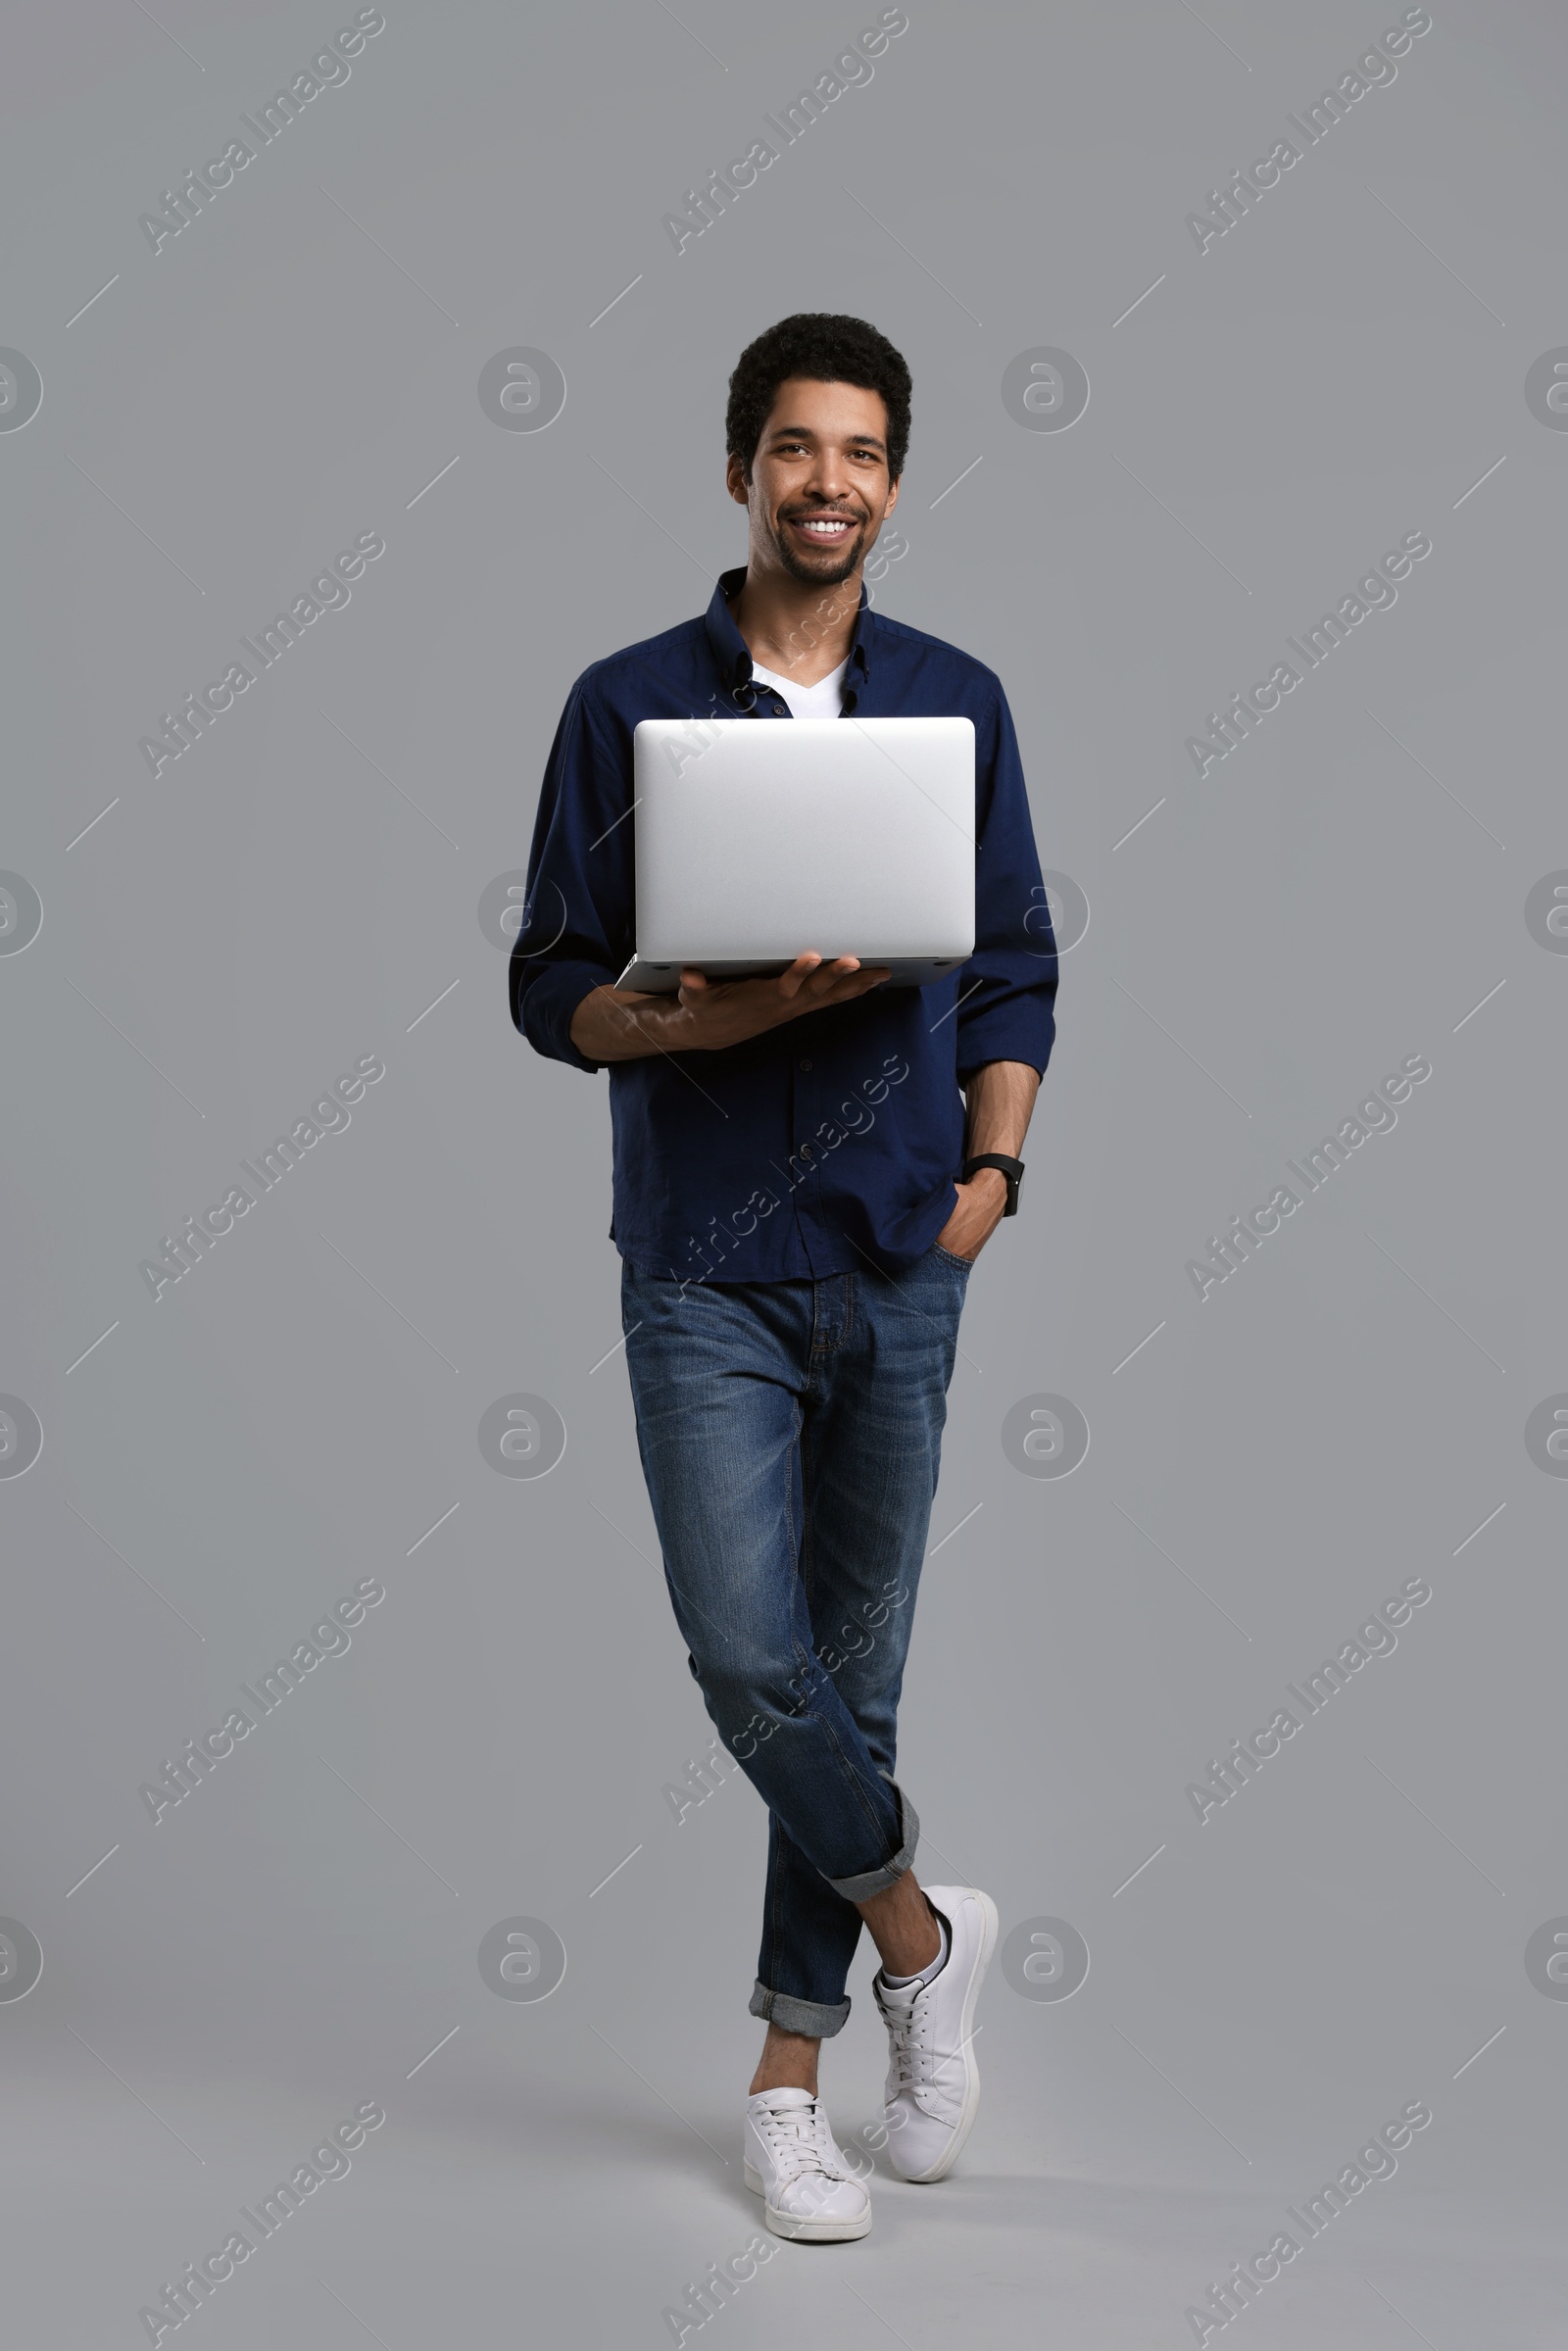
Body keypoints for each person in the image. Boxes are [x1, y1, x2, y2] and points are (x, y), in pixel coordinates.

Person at [512, 312, 1056, 2240]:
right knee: (753, 1661)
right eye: (796, 449)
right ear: (740, 465)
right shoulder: (626, 706)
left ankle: (783, 2082)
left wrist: (989, 1172)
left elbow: (1010, 964)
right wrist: (706, 1016)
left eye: (865, 454)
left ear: (893, 482)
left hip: (908, 1250)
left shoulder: (951, 700)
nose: (829, 482)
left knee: (852, 1678)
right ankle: (920, 1930)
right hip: (703, 1261)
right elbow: (548, 987)